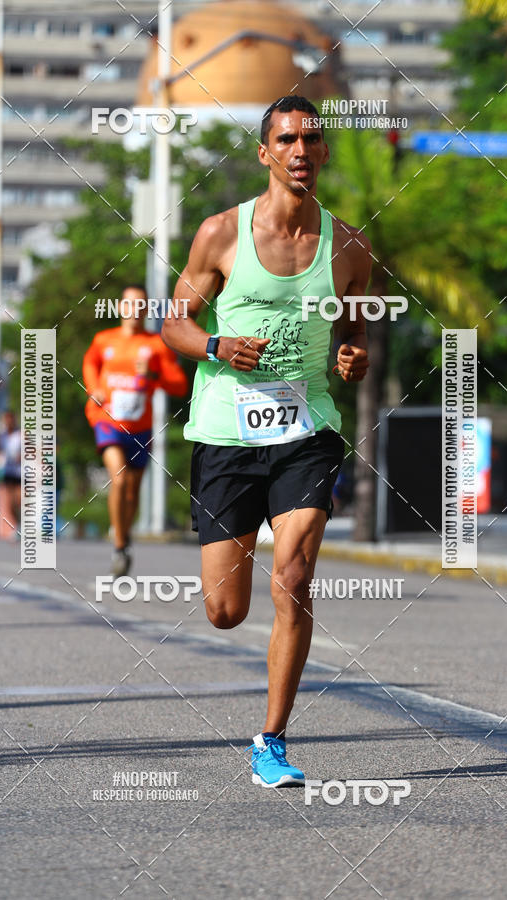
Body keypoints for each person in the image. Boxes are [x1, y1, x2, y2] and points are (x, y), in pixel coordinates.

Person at [162, 95, 372, 788]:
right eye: (286, 139)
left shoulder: (349, 246)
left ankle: (271, 740)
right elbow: (174, 323)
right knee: (226, 611)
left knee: (295, 578)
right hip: (227, 431)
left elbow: (354, 329)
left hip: (307, 430)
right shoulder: (221, 232)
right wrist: (216, 344)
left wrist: (353, 354)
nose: (300, 150)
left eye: (311, 139)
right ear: (265, 152)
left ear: (324, 151)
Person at [83, 284, 188, 576]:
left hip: (140, 428)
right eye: (129, 304)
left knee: (131, 493)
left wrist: (152, 374)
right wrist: (94, 389)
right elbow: (89, 363)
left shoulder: (156, 344)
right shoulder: (104, 340)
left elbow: (179, 385)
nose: (134, 310)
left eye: (141, 305)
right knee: (118, 480)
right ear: (120, 307)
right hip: (107, 421)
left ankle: (124, 536)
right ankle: (119, 545)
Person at [0, 410, 21, 535]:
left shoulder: (21, 435)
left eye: (10, 419)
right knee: (10, 504)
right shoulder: (2, 436)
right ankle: (17, 526)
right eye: (6, 419)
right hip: (8, 472)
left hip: (20, 473)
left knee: (19, 500)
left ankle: (24, 525)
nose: (8, 422)